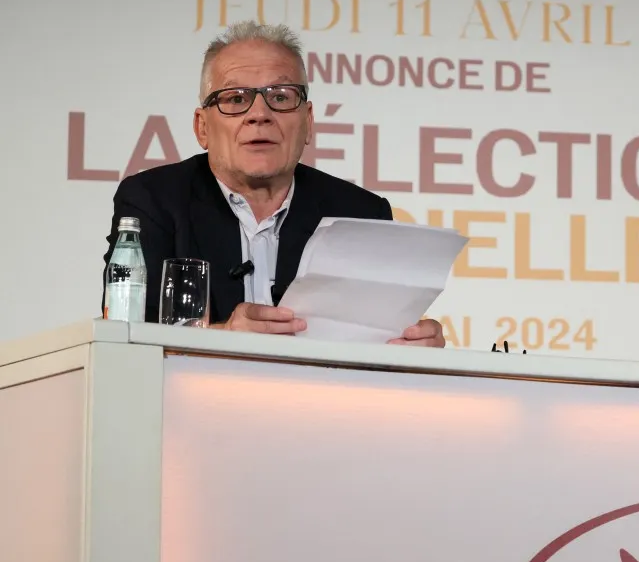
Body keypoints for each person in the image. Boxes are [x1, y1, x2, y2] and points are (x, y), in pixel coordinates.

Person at [101, 21, 444, 346]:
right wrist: (223, 337)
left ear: (307, 123)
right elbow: (128, 335)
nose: (259, 114)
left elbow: (373, 341)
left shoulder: (361, 212)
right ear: (202, 127)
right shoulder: (154, 201)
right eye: (235, 98)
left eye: (280, 96)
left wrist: (406, 345)